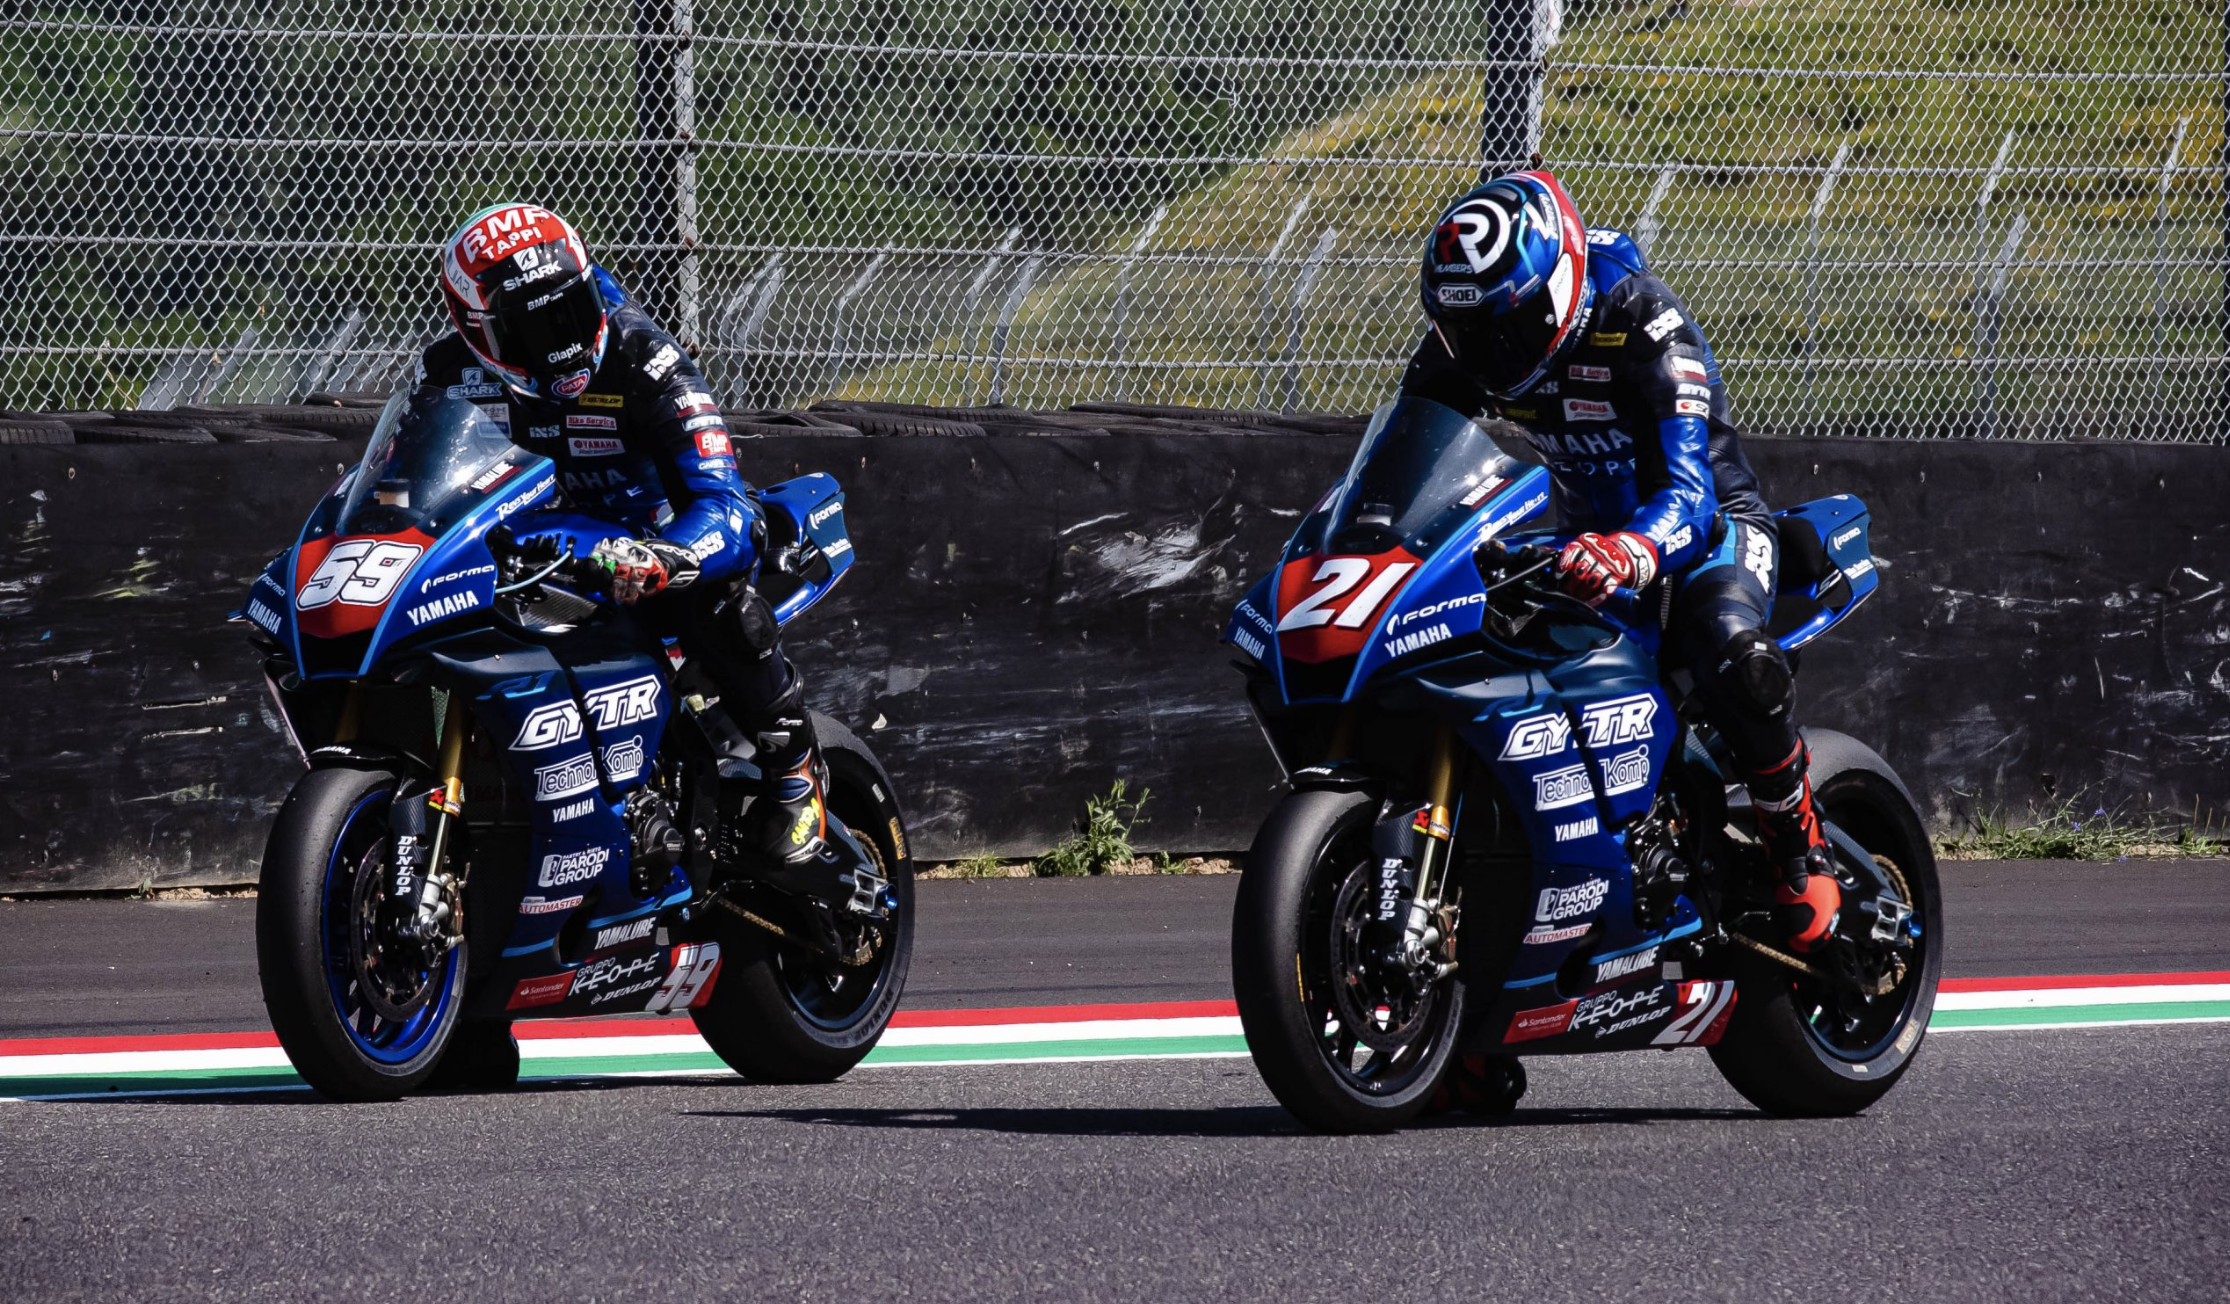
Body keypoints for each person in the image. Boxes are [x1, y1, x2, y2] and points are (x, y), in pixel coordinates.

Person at [1403, 170, 1840, 955]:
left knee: (1730, 646)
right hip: (1581, 540)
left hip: (1709, 526)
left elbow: (1690, 492)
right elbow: (1408, 460)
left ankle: (1798, 846)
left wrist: (1632, 549)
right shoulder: (1469, 337)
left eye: (1514, 326)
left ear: (1562, 283)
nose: (1494, 354)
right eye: (1471, 336)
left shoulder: (1642, 319)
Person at [422, 201, 828, 867]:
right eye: (528, 329)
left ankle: (795, 771)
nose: (557, 342)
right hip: (534, 547)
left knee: (716, 602)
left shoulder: (648, 359)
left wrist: (667, 556)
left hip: (651, 539)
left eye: (569, 312)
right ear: (475, 330)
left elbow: (726, 503)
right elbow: (409, 480)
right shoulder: (448, 372)